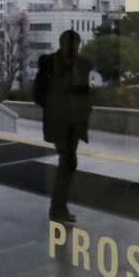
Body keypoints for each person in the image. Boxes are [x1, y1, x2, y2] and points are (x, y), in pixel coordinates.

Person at [33, 30, 92, 222]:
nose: (74, 49)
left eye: (75, 45)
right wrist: (57, 103)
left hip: (73, 121)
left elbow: (83, 93)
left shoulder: (79, 65)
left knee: (68, 162)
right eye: (71, 44)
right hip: (60, 121)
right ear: (62, 45)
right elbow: (39, 95)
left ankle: (59, 207)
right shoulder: (50, 66)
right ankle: (58, 207)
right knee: (68, 162)